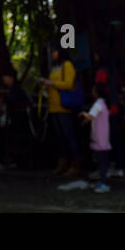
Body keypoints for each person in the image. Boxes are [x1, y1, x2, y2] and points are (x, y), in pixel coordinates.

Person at [39, 47, 80, 177]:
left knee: (69, 135)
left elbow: (68, 84)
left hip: (64, 106)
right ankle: (62, 163)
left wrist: (51, 83)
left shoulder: (67, 65)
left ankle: (75, 164)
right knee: (60, 137)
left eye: (54, 51)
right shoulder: (55, 67)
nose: (53, 54)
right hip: (53, 106)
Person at [92, 52, 123, 177]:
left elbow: (100, 90)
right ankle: (118, 167)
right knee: (115, 139)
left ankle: (105, 168)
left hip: (106, 109)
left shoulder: (101, 72)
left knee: (104, 140)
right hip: (115, 108)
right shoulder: (115, 72)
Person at [80, 82, 111, 193]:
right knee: (102, 160)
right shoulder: (102, 103)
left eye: (93, 90)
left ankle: (103, 183)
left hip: (99, 137)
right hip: (103, 136)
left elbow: (90, 116)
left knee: (101, 161)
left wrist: (83, 114)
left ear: (97, 92)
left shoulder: (98, 104)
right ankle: (102, 181)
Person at [0, 72, 29, 168]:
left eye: (6, 77)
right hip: (14, 119)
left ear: (11, 77)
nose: (4, 80)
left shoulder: (15, 89)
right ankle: (15, 160)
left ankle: (17, 161)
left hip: (17, 119)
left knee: (15, 140)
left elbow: (13, 101)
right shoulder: (11, 89)